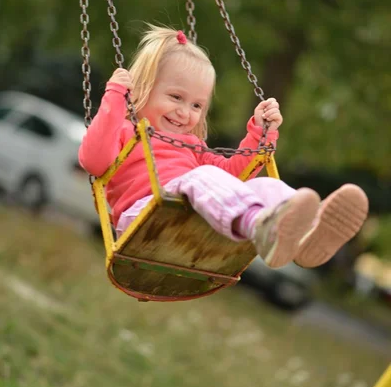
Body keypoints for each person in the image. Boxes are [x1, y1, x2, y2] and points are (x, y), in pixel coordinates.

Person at [79, 25, 368, 269]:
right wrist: (115, 97)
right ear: (143, 88)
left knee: (263, 188)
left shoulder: (193, 147)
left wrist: (260, 133)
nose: (184, 111)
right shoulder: (125, 131)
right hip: (144, 218)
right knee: (200, 178)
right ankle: (261, 226)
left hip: (188, 215)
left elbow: (234, 175)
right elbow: (93, 160)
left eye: (196, 105)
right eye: (176, 97)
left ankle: (307, 234)